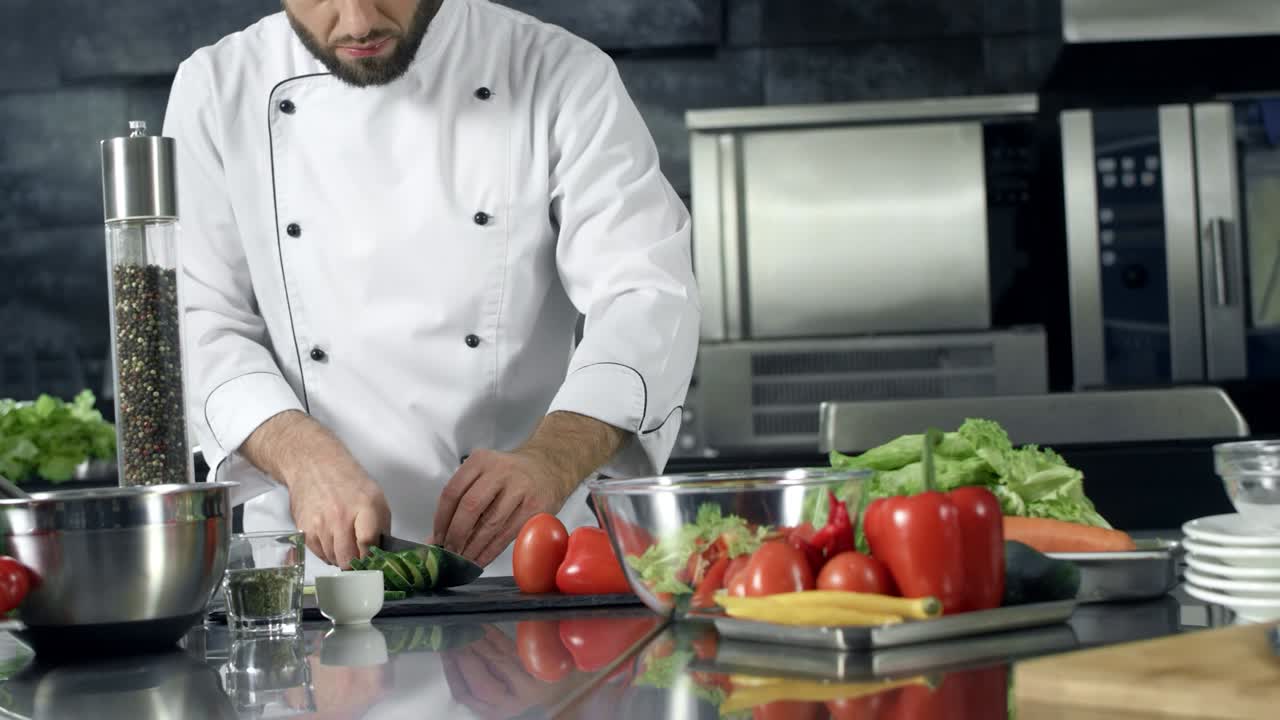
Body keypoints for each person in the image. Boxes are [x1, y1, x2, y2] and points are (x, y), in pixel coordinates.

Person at [163, 0, 699, 578]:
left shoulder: (556, 72)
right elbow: (197, 321)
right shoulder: (218, 88)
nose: (357, 21)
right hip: (309, 577)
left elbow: (646, 294)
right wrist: (300, 455)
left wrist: (554, 456)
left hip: (527, 562)